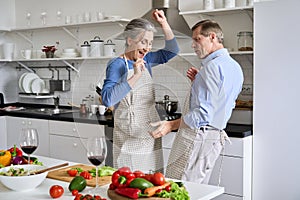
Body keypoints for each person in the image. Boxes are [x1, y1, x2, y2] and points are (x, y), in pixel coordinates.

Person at [150, 19, 244, 183]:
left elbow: (203, 115)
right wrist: (198, 84)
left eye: (197, 39)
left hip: (198, 137)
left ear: (212, 37)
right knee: (198, 190)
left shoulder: (211, 67)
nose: (193, 45)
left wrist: (170, 125)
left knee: (180, 188)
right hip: (212, 139)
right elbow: (221, 102)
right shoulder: (234, 66)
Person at [101, 9, 179, 172]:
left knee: (152, 176)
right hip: (129, 130)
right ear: (130, 40)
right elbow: (108, 99)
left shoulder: (147, 59)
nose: (148, 48)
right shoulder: (117, 64)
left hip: (149, 128)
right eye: (144, 42)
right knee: (131, 175)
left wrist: (164, 23)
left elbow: (172, 52)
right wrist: (135, 75)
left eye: (150, 43)